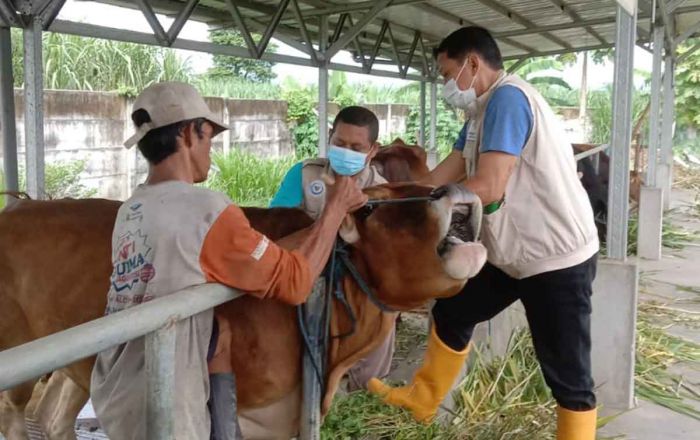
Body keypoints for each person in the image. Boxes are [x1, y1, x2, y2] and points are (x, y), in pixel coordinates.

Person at [90, 82, 367, 440]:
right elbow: (297, 285)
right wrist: (335, 209)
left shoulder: (132, 207)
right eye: (209, 139)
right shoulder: (205, 209)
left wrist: (320, 228)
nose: (210, 151)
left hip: (117, 385)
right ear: (191, 132)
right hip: (167, 399)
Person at [368, 27, 599, 440]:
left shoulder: (509, 99)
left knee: (566, 370)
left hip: (554, 256)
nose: (444, 85)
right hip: (511, 253)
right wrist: (388, 196)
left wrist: (432, 204)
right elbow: (442, 176)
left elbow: (489, 186)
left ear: (473, 63)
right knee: (454, 310)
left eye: (446, 72)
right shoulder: (479, 113)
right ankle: (422, 400)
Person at [270, 106, 395, 391]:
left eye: (356, 147)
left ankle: (365, 392)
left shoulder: (384, 193)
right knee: (303, 369)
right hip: (306, 288)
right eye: (340, 144)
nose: (346, 152)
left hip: (362, 296)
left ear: (373, 150)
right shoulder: (304, 176)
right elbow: (276, 229)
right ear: (329, 137)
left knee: (368, 375)